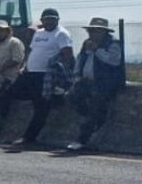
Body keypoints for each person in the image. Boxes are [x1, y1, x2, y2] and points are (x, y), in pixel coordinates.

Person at [9, 9, 74, 147]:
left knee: (41, 107)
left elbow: (67, 55)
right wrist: (25, 66)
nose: (49, 21)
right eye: (46, 19)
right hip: (30, 73)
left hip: (46, 75)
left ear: (57, 19)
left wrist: (65, 77)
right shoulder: (38, 33)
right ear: (42, 20)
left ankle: (29, 137)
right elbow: (32, 51)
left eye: (52, 19)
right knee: (10, 93)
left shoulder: (61, 34)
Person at [65, 17, 125, 152]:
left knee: (95, 106)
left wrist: (97, 49)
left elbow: (114, 61)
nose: (92, 34)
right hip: (85, 81)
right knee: (70, 97)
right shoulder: (87, 43)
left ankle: (82, 139)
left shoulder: (113, 43)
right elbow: (81, 59)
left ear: (104, 32)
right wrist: (77, 75)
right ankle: (92, 119)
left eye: (97, 31)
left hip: (104, 83)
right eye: (91, 31)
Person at [0, 20, 27, 143]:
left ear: (8, 31)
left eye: (3, 30)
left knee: (1, 106)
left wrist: (1, 68)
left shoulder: (14, 42)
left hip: (8, 79)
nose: (0, 33)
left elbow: (17, 59)